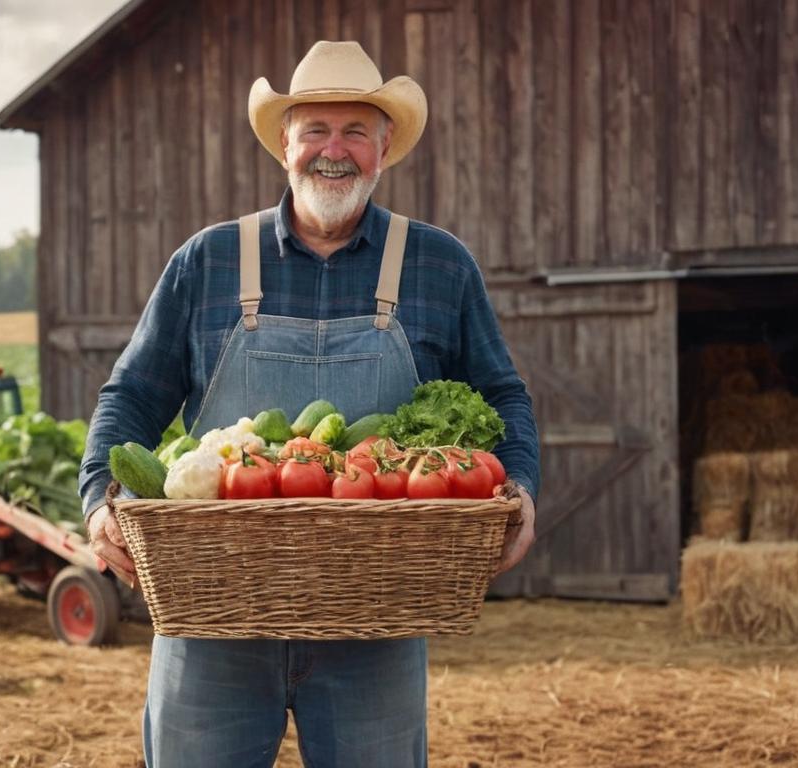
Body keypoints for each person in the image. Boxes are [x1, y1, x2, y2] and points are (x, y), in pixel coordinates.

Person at [78, 40, 540, 767]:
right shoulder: (208, 261)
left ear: (384, 148)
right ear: (284, 145)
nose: (335, 150)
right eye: (315, 130)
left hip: (377, 620)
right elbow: (131, 395)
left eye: (356, 130)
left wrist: (525, 485)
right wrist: (99, 501)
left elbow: (502, 396)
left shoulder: (439, 264)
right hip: (214, 617)